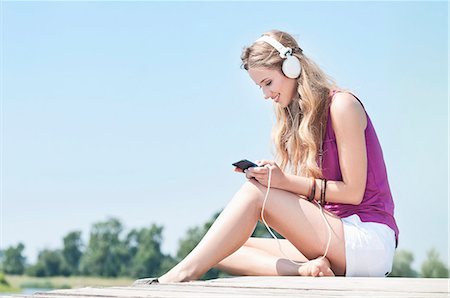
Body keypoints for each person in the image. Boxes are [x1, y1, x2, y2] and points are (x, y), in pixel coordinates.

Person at [136, 29, 399, 284]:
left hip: (367, 239)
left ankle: (179, 276)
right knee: (226, 246)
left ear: (292, 68)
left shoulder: (342, 106)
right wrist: (270, 179)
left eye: (268, 83)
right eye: (259, 87)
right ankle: (304, 270)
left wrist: (281, 182)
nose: (265, 94)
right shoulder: (302, 120)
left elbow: (352, 193)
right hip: (336, 235)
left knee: (254, 195)